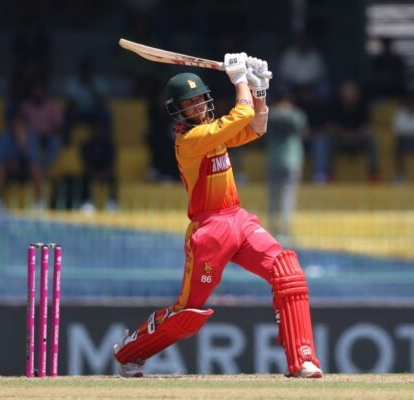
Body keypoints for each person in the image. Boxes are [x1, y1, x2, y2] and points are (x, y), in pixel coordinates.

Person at [113, 53, 322, 379]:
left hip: (238, 219)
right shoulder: (190, 141)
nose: (197, 106)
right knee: (187, 314)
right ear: (178, 110)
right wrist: (239, 80)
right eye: (189, 103)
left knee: (288, 273)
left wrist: (259, 89)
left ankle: (302, 360)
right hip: (210, 231)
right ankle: (130, 353)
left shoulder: (212, 131)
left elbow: (256, 127)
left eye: (200, 99)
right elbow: (242, 114)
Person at [266, 90, 307, 240]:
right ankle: (283, 231)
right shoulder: (295, 114)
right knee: (286, 197)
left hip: (275, 161)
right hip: (290, 161)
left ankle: (274, 229)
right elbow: (302, 127)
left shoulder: (270, 114)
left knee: (274, 197)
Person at [329, 80, 380, 182]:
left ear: (357, 93)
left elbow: (367, 126)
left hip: (358, 138)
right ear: (341, 93)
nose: (349, 94)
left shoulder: (363, 105)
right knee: (328, 141)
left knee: (370, 139)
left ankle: (373, 173)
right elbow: (332, 126)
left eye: (351, 91)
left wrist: (356, 135)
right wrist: (345, 135)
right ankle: (329, 174)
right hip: (342, 139)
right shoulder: (335, 105)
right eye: (346, 92)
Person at [0, 112, 43, 209]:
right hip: (9, 168)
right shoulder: (4, 137)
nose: (17, 128)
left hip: (26, 168)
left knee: (36, 169)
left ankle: (38, 202)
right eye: (15, 125)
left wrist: (23, 143)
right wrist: (10, 162)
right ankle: (0, 202)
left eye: (20, 125)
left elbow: (33, 157)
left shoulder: (31, 137)